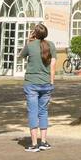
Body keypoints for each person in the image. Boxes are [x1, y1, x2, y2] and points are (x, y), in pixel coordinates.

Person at [21, 23, 56, 152]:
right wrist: (51, 82)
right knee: (43, 112)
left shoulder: (30, 46)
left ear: (34, 33)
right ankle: (44, 142)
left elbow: (21, 55)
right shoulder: (51, 45)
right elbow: (53, 66)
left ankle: (34, 144)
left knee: (33, 112)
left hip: (31, 83)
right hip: (46, 83)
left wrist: (28, 40)